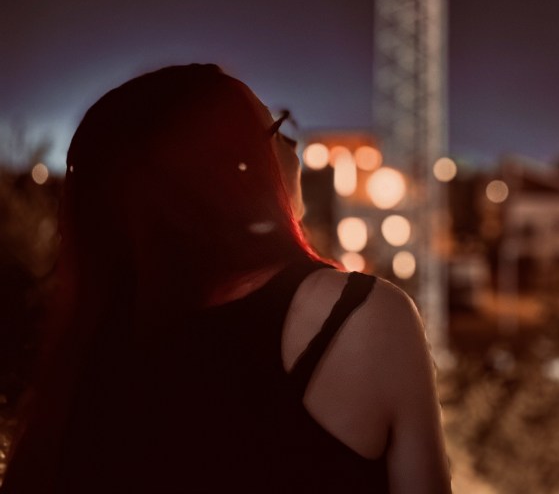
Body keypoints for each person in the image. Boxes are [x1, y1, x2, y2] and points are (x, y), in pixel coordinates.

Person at [1, 64, 451, 493]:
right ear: (229, 171)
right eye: (276, 133)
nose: (294, 147)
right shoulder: (361, 319)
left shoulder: (81, 357)